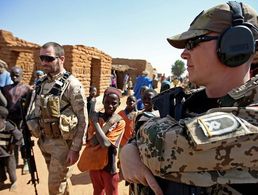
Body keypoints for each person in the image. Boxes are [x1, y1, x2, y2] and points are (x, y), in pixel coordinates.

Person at [120, 2, 258, 195]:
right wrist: (130, 147)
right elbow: (144, 124)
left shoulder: (253, 113)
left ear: (234, 45)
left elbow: (163, 148)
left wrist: (133, 143)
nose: (184, 54)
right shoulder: (185, 101)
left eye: (193, 43)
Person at [26, 42, 88, 195]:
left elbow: (83, 119)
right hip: (44, 140)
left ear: (61, 59)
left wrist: (75, 149)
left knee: (54, 187)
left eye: (49, 58)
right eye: (42, 58)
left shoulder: (72, 85)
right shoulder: (41, 83)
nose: (44, 62)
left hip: (62, 145)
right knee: (61, 181)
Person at [78, 87, 125, 195]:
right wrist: (97, 125)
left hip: (109, 168)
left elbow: (106, 144)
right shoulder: (97, 116)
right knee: (97, 192)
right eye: (107, 102)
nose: (110, 106)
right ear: (103, 101)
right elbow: (92, 141)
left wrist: (95, 123)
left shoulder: (119, 122)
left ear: (119, 104)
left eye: (114, 103)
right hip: (94, 165)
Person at [1, 66, 32, 174]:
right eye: (12, 75)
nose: (14, 77)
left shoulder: (27, 89)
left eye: (17, 75)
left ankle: (26, 162)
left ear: (22, 76)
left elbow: (30, 105)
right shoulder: (5, 89)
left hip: (22, 120)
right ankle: (13, 162)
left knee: (24, 142)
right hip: (10, 119)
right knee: (11, 141)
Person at [0, 106, 23, 191]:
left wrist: (13, 145)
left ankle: (14, 182)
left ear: (3, 119)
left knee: (11, 168)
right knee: (0, 169)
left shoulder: (9, 126)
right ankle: (1, 181)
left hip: (8, 152)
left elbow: (19, 135)